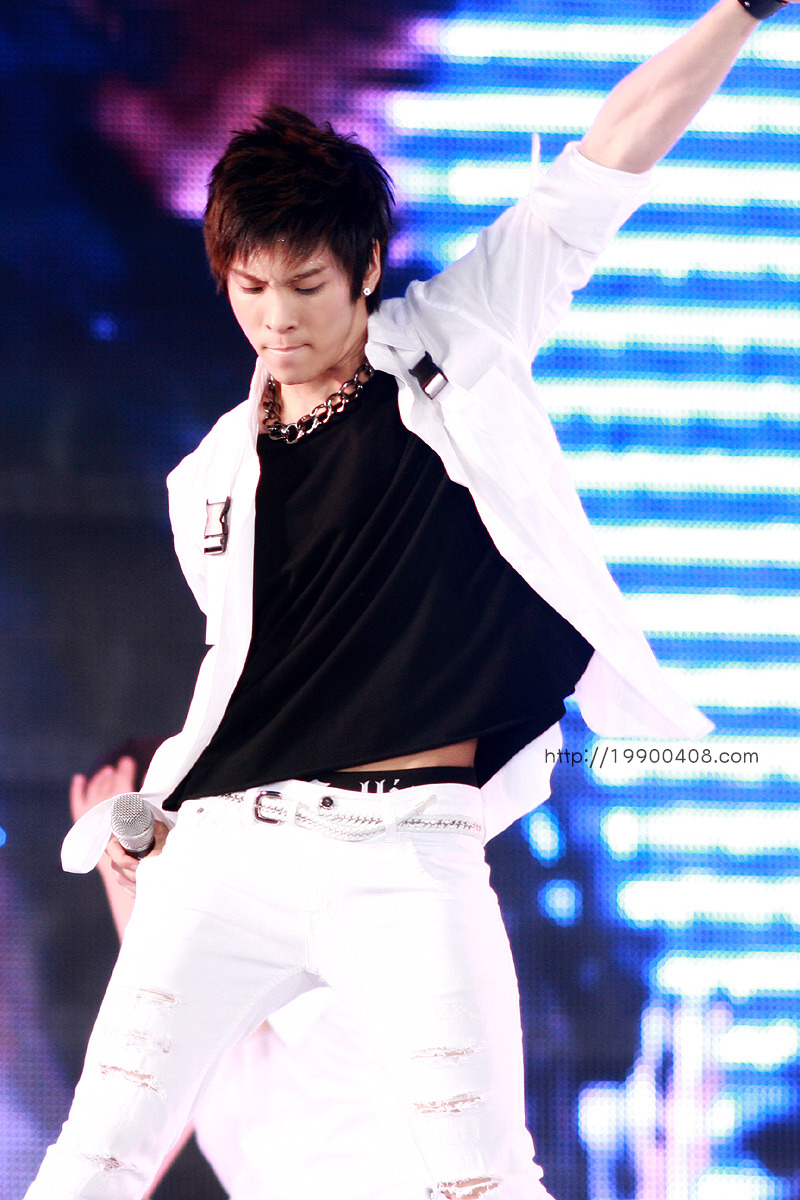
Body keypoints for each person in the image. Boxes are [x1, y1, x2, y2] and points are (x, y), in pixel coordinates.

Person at [26, 1, 798, 1197]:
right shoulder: (208, 482)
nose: (276, 319)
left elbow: (609, 155)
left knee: (483, 1177)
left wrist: (740, 12)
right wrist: (161, 816)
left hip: (404, 854)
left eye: (305, 285)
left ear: (366, 271)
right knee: (96, 1158)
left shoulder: (458, 340)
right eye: (249, 287)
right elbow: (242, 679)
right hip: (235, 847)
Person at [69, 746, 431, 1200]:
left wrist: (116, 871)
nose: (128, 870)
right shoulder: (197, 1043)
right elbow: (135, 1134)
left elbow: (187, 995)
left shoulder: (310, 924)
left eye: (135, 850)